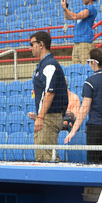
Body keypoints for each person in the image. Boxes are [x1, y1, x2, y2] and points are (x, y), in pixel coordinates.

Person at [65, 48, 102, 164]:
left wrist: (73, 131)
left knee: (94, 164)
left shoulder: (90, 82)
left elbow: (85, 108)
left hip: (96, 128)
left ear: (93, 63)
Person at [27, 30, 69, 162]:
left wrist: (40, 116)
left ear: (41, 44)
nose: (30, 48)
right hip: (45, 117)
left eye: (32, 44)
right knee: (40, 158)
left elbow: (50, 93)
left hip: (49, 117)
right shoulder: (43, 65)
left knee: (48, 158)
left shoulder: (50, 65)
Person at [62, 0, 99, 65]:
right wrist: (65, 6)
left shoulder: (91, 8)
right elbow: (67, 17)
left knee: (87, 67)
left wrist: (65, 8)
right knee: (77, 68)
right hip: (77, 43)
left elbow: (75, 16)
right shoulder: (82, 9)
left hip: (85, 43)